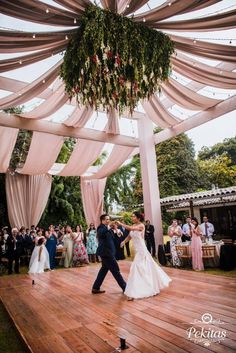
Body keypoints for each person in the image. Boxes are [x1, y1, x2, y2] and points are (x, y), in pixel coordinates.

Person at [118, 211, 171, 300]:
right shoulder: (134, 226)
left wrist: (121, 224)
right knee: (141, 268)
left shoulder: (141, 226)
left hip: (141, 250)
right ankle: (138, 289)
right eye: (132, 216)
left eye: (133, 216)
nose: (132, 218)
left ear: (138, 218)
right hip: (137, 250)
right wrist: (124, 241)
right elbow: (130, 236)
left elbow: (130, 228)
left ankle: (136, 291)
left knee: (137, 267)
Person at [91, 214, 126, 294]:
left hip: (108, 252)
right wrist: (110, 227)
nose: (108, 221)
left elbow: (113, 239)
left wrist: (117, 231)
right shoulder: (101, 227)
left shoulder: (108, 229)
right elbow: (101, 234)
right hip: (106, 253)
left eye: (109, 219)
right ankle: (125, 287)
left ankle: (95, 288)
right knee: (115, 270)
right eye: (107, 219)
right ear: (102, 220)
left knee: (103, 270)